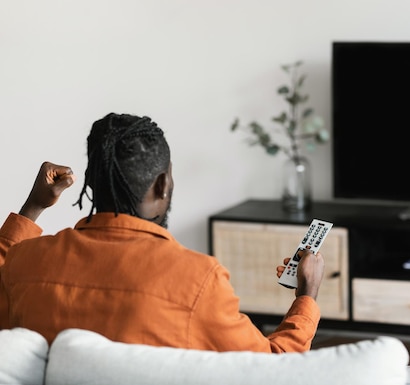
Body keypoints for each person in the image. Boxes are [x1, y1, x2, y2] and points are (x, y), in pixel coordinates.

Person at [0, 112, 325, 353]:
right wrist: (306, 296)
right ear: (162, 185)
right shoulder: (198, 280)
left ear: (91, 185)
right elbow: (274, 367)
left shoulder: (24, 263)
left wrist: (33, 207)